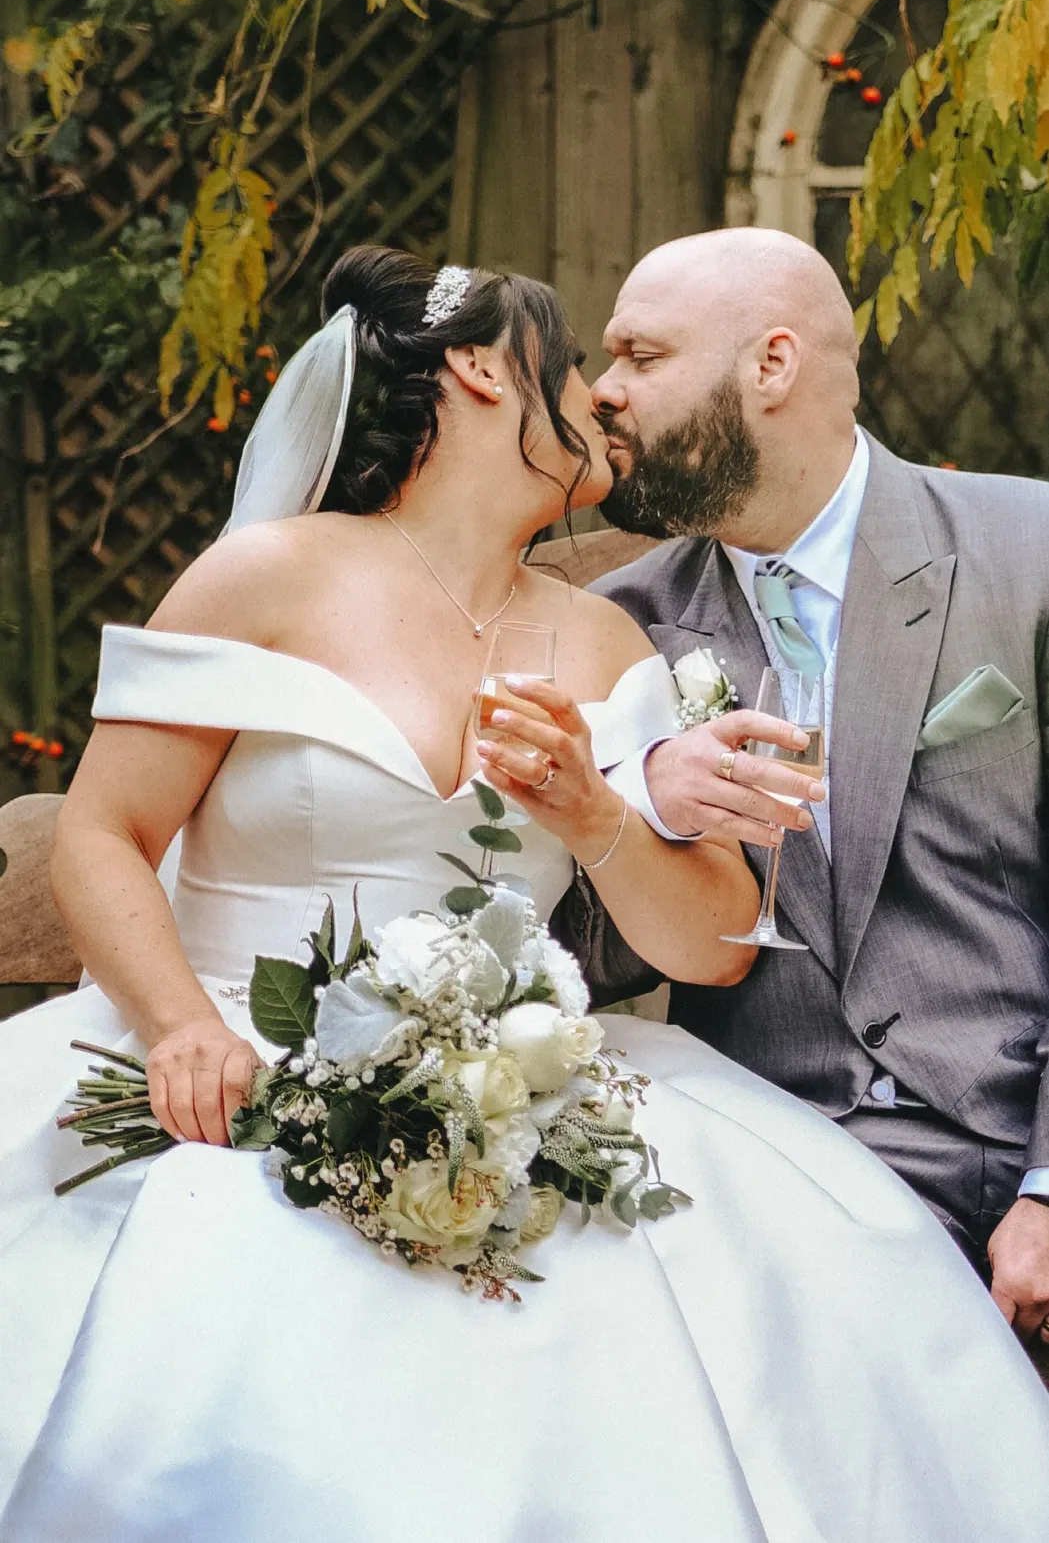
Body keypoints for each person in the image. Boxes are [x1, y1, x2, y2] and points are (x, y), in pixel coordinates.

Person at [1, 247, 1047, 1543]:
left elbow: (715, 945)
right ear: (486, 370)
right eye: (584, 362)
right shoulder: (262, 577)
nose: (605, 395)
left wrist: (598, 810)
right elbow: (102, 833)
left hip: (532, 1085)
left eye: (634, 361)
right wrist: (182, 1028)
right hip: (225, 1058)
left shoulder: (612, 635)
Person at [560, 225, 1049, 1349]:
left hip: (1004, 1140)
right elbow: (582, 962)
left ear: (768, 366)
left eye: (638, 355)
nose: (601, 395)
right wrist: (637, 811)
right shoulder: (617, 625)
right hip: (751, 1171)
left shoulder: (1029, 555)